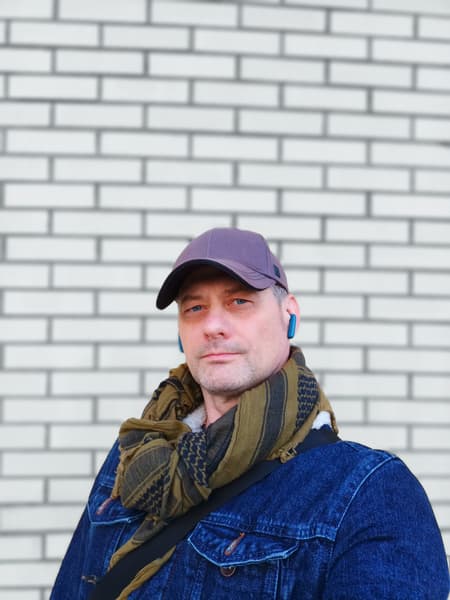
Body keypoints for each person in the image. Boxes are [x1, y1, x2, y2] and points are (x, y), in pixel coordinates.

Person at [51, 227, 449, 600]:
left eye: (239, 301)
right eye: (194, 307)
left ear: (289, 314)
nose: (213, 325)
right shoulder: (134, 456)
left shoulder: (367, 492)